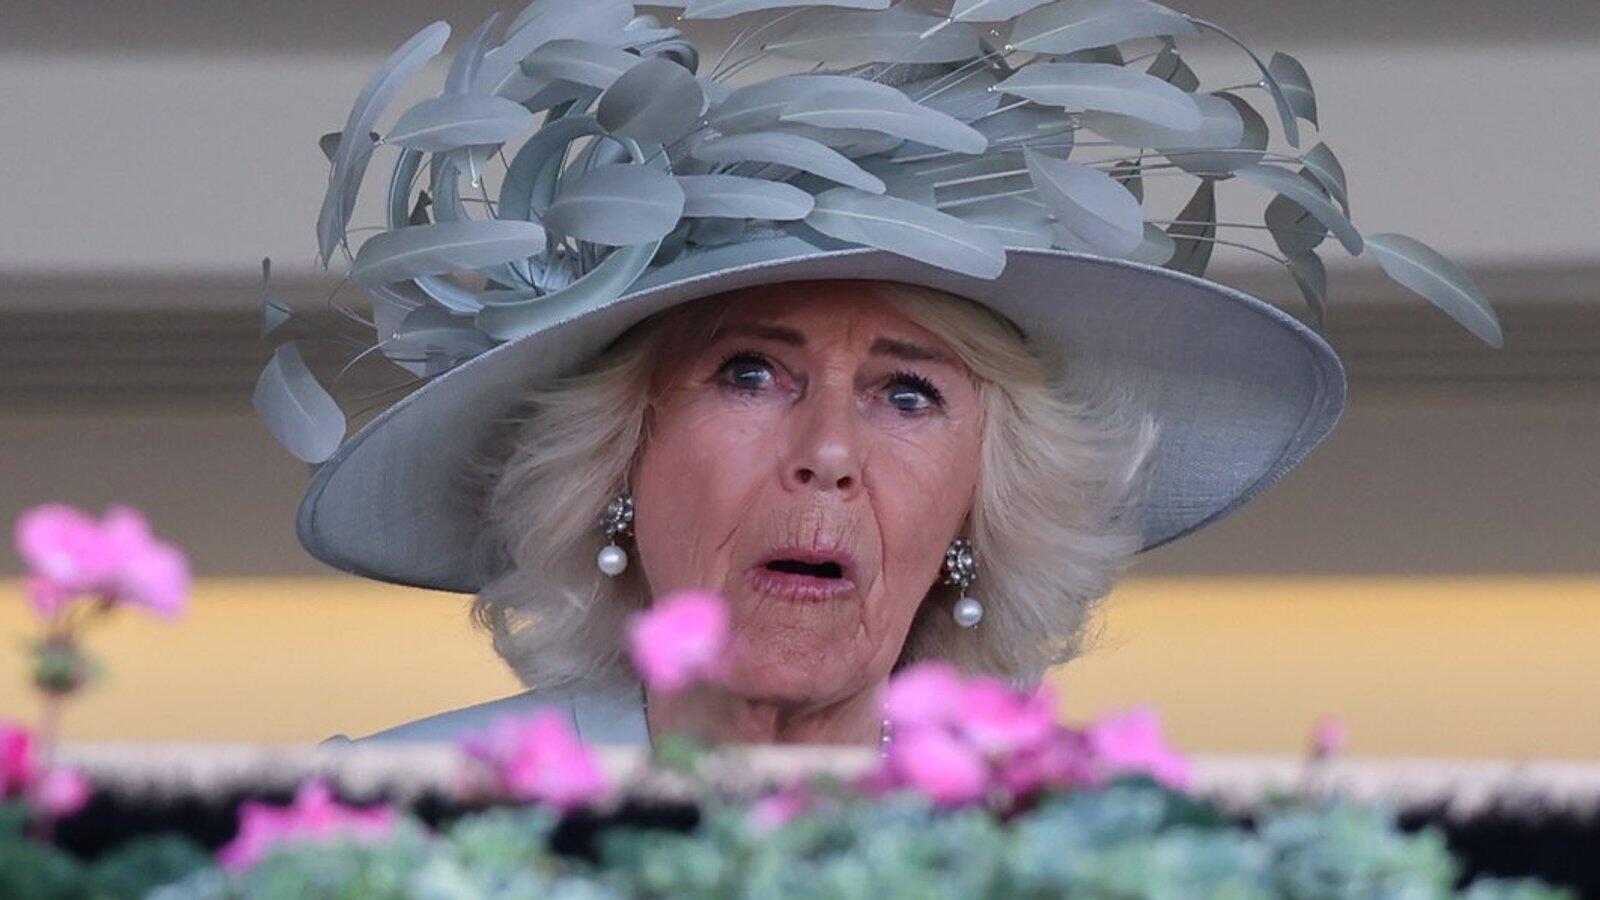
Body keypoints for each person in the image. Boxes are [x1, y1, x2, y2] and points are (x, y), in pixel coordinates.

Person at [270, 2, 1491, 748]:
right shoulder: (400, 830)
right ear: (616, 464)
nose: (828, 452)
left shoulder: (1088, 862)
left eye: (910, 394)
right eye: (750, 373)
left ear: (979, 511)